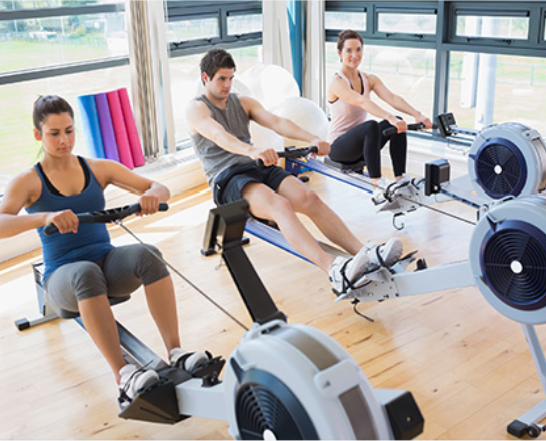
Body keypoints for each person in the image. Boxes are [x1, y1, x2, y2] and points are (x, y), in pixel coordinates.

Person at [0, 95, 208, 404]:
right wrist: (44, 217)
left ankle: (176, 352)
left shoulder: (97, 168)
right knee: (85, 273)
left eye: (69, 131)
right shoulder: (28, 181)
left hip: (106, 263)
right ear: (37, 135)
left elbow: (159, 188)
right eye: (54, 133)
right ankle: (123, 375)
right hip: (62, 277)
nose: (64, 140)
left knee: (149, 254)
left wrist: (150, 196)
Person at [186, 48, 405, 297]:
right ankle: (334, 270)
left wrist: (312, 137)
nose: (227, 85)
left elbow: (278, 122)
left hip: (256, 166)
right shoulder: (196, 109)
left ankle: (364, 252)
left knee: (309, 198)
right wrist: (251, 150)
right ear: (205, 78)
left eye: (230, 78)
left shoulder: (242, 102)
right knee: (280, 206)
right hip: (228, 178)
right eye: (221, 79)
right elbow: (218, 135)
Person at [327, 29, 434, 204]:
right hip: (339, 148)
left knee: (397, 123)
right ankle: (377, 185)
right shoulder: (337, 82)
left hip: (361, 148)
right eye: (349, 51)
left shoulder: (369, 79)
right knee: (372, 126)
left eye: (358, 49)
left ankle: (401, 179)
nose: (355, 55)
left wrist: (418, 115)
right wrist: (389, 117)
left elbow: (392, 98)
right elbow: (361, 101)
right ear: (339, 53)